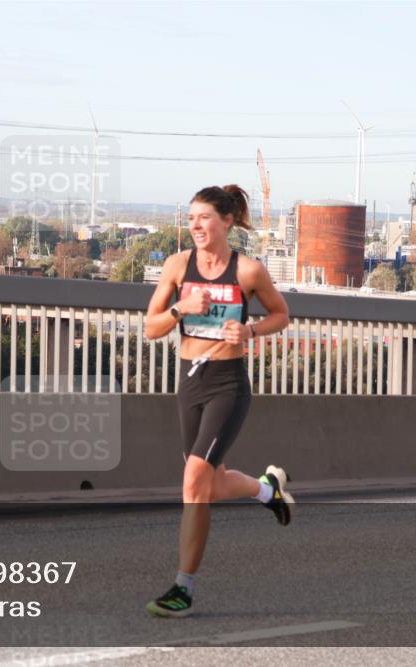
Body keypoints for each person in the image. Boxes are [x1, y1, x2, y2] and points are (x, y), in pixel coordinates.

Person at [143, 184, 293, 618]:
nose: (195, 225)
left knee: (193, 482)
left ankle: (182, 589)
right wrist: (181, 308)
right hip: (189, 383)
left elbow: (281, 314)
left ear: (226, 221)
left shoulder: (247, 271)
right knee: (209, 482)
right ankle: (269, 491)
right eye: (190, 218)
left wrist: (250, 331)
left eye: (204, 217)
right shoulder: (176, 266)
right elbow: (150, 328)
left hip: (228, 384)